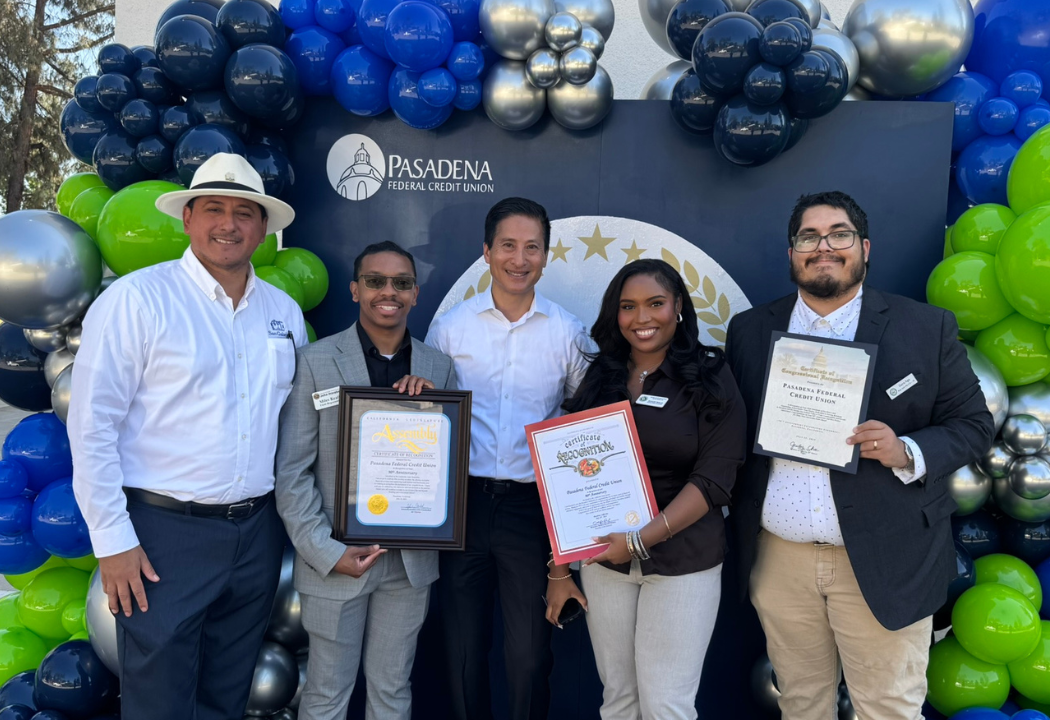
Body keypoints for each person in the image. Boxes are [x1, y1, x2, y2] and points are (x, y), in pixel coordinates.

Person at [725, 191, 995, 720]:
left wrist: (905, 450)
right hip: (781, 560)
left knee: (888, 710)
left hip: (888, 557)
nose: (824, 246)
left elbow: (974, 425)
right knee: (801, 705)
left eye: (839, 234)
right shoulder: (752, 331)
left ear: (864, 247)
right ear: (792, 252)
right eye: (809, 236)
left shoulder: (925, 327)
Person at [68, 153, 306, 720]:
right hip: (161, 538)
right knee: (159, 702)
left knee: (227, 696)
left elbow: (300, 423)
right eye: (215, 209)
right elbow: (92, 425)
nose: (229, 224)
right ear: (188, 219)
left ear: (263, 226)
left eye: (244, 212)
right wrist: (113, 541)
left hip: (256, 534)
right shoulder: (136, 301)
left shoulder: (284, 312)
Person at [546, 259, 747, 720]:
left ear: (677, 306)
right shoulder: (599, 378)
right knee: (618, 700)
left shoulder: (711, 376)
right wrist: (559, 569)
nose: (642, 319)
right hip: (604, 563)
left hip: (684, 562)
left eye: (655, 304)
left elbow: (715, 478)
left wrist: (639, 540)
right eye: (628, 307)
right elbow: (570, 481)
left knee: (666, 705)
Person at [274, 241, 455, 720]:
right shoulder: (314, 361)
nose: (388, 292)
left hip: (410, 562)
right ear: (356, 290)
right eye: (375, 281)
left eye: (401, 283)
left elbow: (447, 466)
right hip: (336, 558)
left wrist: (437, 412)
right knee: (326, 695)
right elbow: (292, 473)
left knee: (392, 692)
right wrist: (326, 552)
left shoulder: (438, 367)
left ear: (416, 293)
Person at [425, 197, 591, 720]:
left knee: (527, 655)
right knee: (464, 651)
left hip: (530, 510)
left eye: (532, 248)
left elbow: (586, 422)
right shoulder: (451, 329)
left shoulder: (568, 331)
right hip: (462, 507)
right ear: (486, 252)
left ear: (546, 255)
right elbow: (426, 418)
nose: (519, 259)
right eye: (508, 246)